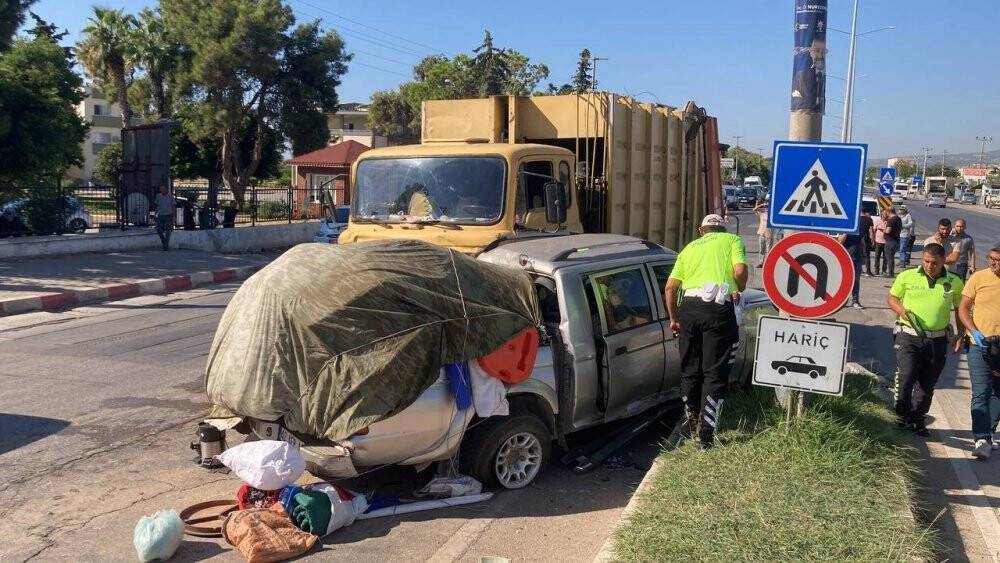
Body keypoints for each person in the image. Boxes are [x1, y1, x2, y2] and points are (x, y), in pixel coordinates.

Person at [665, 214, 748, 448]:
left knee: (690, 370)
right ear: (721, 229)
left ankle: (690, 422)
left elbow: (670, 287)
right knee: (715, 372)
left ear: (702, 231)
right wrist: (740, 286)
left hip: (689, 310)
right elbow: (740, 271)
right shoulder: (732, 240)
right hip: (718, 310)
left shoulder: (688, 249)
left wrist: (674, 318)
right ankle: (705, 436)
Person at [887, 243, 965, 436]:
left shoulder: (954, 281)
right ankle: (902, 414)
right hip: (908, 335)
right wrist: (900, 311)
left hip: (937, 340)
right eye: (927, 261)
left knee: (927, 383)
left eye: (935, 263)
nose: (930, 266)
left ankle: (917, 418)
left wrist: (960, 335)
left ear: (943, 261)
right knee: (907, 375)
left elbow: (960, 310)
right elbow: (892, 298)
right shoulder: (908, 275)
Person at [958, 242, 1000, 459]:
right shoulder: (979, 278)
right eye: (990, 258)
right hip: (980, 345)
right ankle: (981, 438)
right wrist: (973, 331)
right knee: (981, 392)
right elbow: (963, 308)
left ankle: (990, 432)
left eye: (997, 260)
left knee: (998, 393)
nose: (993, 263)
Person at [837, 228, 864, 308]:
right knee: (843, 279)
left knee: (856, 279)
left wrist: (863, 256)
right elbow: (840, 241)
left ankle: (855, 301)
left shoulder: (858, 225)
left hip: (857, 257)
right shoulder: (847, 226)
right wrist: (846, 231)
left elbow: (861, 242)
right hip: (846, 257)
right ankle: (841, 301)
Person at [751, 198, 772, 268]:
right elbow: (754, 210)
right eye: (765, 204)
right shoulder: (762, 212)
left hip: (769, 235)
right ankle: (761, 263)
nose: (766, 206)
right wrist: (760, 204)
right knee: (761, 250)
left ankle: (768, 263)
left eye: (767, 204)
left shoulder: (772, 213)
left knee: (769, 251)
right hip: (761, 233)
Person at [154, 185, 175, 251]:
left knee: (168, 231)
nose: (162, 190)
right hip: (160, 215)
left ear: (166, 190)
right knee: (158, 229)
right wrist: (155, 214)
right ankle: (164, 240)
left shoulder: (170, 197)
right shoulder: (158, 196)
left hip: (168, 215)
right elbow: (156, 206)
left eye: (163, 189)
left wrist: (174, 216)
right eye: (161, 189)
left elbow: (173, 206)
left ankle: (165, 246)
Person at [882, 207, 902, 277]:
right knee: (891, 257)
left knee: (889, 258)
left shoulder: (891, 220)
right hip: (896, 240)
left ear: (888, 212)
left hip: (890, 241)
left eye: (886, 212)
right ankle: (891, 272)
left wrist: (883, 230)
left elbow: (888, 231)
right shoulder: (898, 219)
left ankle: (890, 273)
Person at [860, 207, 875, 276]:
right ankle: (868, 271)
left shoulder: (857, 219)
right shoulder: (869, 219)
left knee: (858, 255)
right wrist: (872, 239)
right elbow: (871, 230)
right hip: (865, 238)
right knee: (867, 255)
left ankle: (859, 270)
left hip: (857, 238)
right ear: (865, 212)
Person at [873, 210, 888, 276]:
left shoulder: (889, 222)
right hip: (878, 241)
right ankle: (876, 270)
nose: (885, 215)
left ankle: (884, 270)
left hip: (886, 242)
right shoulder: (878, 221)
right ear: (881, 215)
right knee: (877, 257)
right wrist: (873, 239)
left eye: (886, 214)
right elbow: (874, 230)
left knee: (885, 257)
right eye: (884, 214)